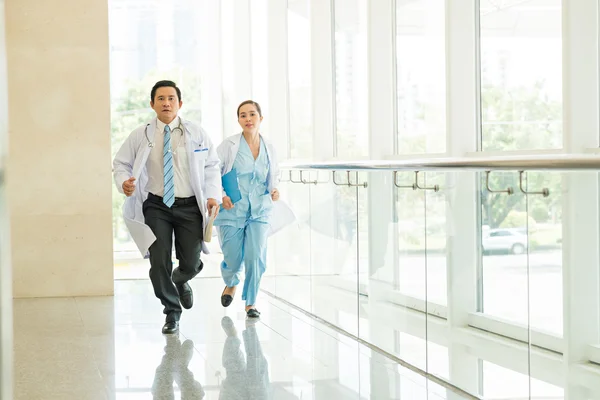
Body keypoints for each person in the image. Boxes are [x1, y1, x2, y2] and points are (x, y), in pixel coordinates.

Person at [113, 80, 221, 334]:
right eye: (160, 98)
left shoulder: (196, 132)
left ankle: (182, 278)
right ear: (152, 104)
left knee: (191, 262)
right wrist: (123, 183)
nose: (166, 103)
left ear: (180, 104)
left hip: (189, 206)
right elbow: (120, 164)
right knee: (159, 261)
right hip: (157, 206)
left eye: (171, 98)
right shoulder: (141, 134)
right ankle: (172, 312)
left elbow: (212, 165)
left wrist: (213, 195)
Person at [215, 100, 292, 318]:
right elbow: (212, 173)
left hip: (260, 210)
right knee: (233, 257)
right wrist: (222, 195)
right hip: (232, 210)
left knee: (256, 256)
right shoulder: (229, 146)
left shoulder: (269, 147)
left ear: (260, 118)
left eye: (252, 114)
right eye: (242, 115)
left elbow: (273, 175)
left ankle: (251, 302)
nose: (248, 119)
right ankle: (230, 282)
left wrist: (275, 189)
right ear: (238, 120)